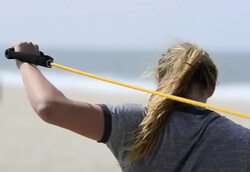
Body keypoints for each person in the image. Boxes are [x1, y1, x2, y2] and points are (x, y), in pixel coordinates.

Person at [13, 42, 249, 172]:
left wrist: (26, 62)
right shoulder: (242, 140)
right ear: (211, 87)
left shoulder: (135, 122)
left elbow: (49, 107)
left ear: (159, 79)